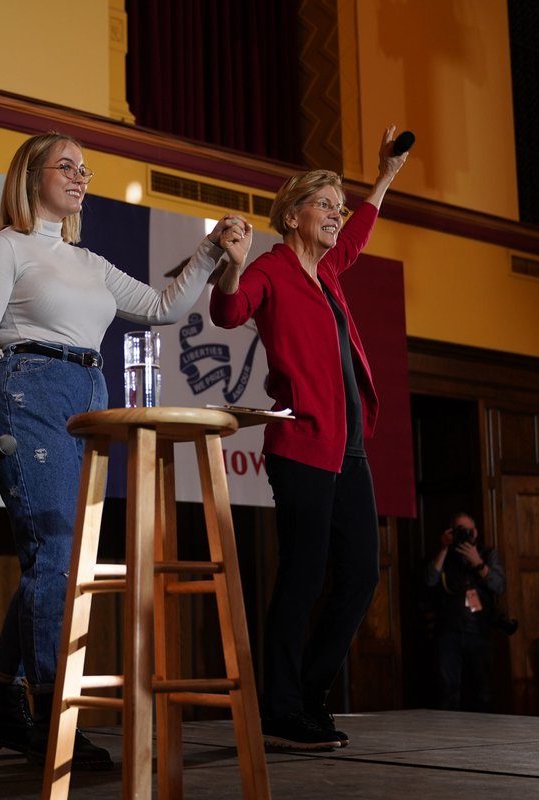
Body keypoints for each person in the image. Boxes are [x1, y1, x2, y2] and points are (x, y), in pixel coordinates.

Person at [0, 131, 250, 770]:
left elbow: (162, 307)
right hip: (28, 391)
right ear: (30, 176)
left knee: (54, 555)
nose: (80, 176)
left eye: (85, 169)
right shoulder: (4, 248)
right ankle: (47, 720)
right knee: (57, 555)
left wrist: (208, 250)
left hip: (86, 398)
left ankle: (2, 704)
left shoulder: (86, 261)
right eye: (65, 165)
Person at [208, 125, 409, 750]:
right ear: (292, 215)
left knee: (360, 576)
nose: (336, 213)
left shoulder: (329, 272)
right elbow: (230, 313)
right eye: (324, 203)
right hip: (301, 445)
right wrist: (231, 269)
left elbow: (356, 235)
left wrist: (383, 178)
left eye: (337, 205)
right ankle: (282, 709)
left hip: (349, 448)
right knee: (302, 574)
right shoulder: (270, 269)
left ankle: (311, 694)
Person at [424, 512, 506, 712]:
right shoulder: (445, 556)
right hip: (448, 631)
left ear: (475, 533)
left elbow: (499, 585)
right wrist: (444, 548)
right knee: (448, 689)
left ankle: (484, 732)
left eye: (467, 531)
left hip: (479, 630)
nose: (463, 535)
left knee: (482, 688)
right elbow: (429, 581)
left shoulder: (486, 554)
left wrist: (477, 562)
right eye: (458, 531)